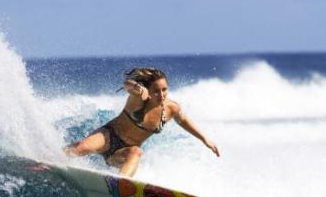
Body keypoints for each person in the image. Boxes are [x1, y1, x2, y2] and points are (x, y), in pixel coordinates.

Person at [64, 67, 220, 177]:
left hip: (123, 152)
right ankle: (54, 157)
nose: (161, 94)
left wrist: (204, 139)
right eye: (156, 91)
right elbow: (126, 84)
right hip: (108, 137)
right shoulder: (138, 98)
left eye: (164, 89)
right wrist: (137, 87)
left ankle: (120, 186)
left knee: (136, 152)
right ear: (148, 90)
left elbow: (183, 120)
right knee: (81, 149)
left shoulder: (171, 108)